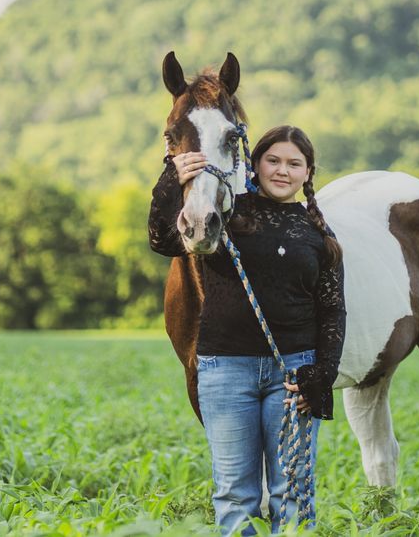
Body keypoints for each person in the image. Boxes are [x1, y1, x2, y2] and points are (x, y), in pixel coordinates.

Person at [148, 125, 346, 536]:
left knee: (292, 492)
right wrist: (173, 176)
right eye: (272, 160)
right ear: (253, 164)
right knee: (235, 494)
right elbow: (164, 240)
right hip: (225, 371)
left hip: (293, 376)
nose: (282, 171)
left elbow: (332, 310)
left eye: (294, 164)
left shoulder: (317, 234)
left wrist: (321, 374)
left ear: (308, 173)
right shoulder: (224, 216)